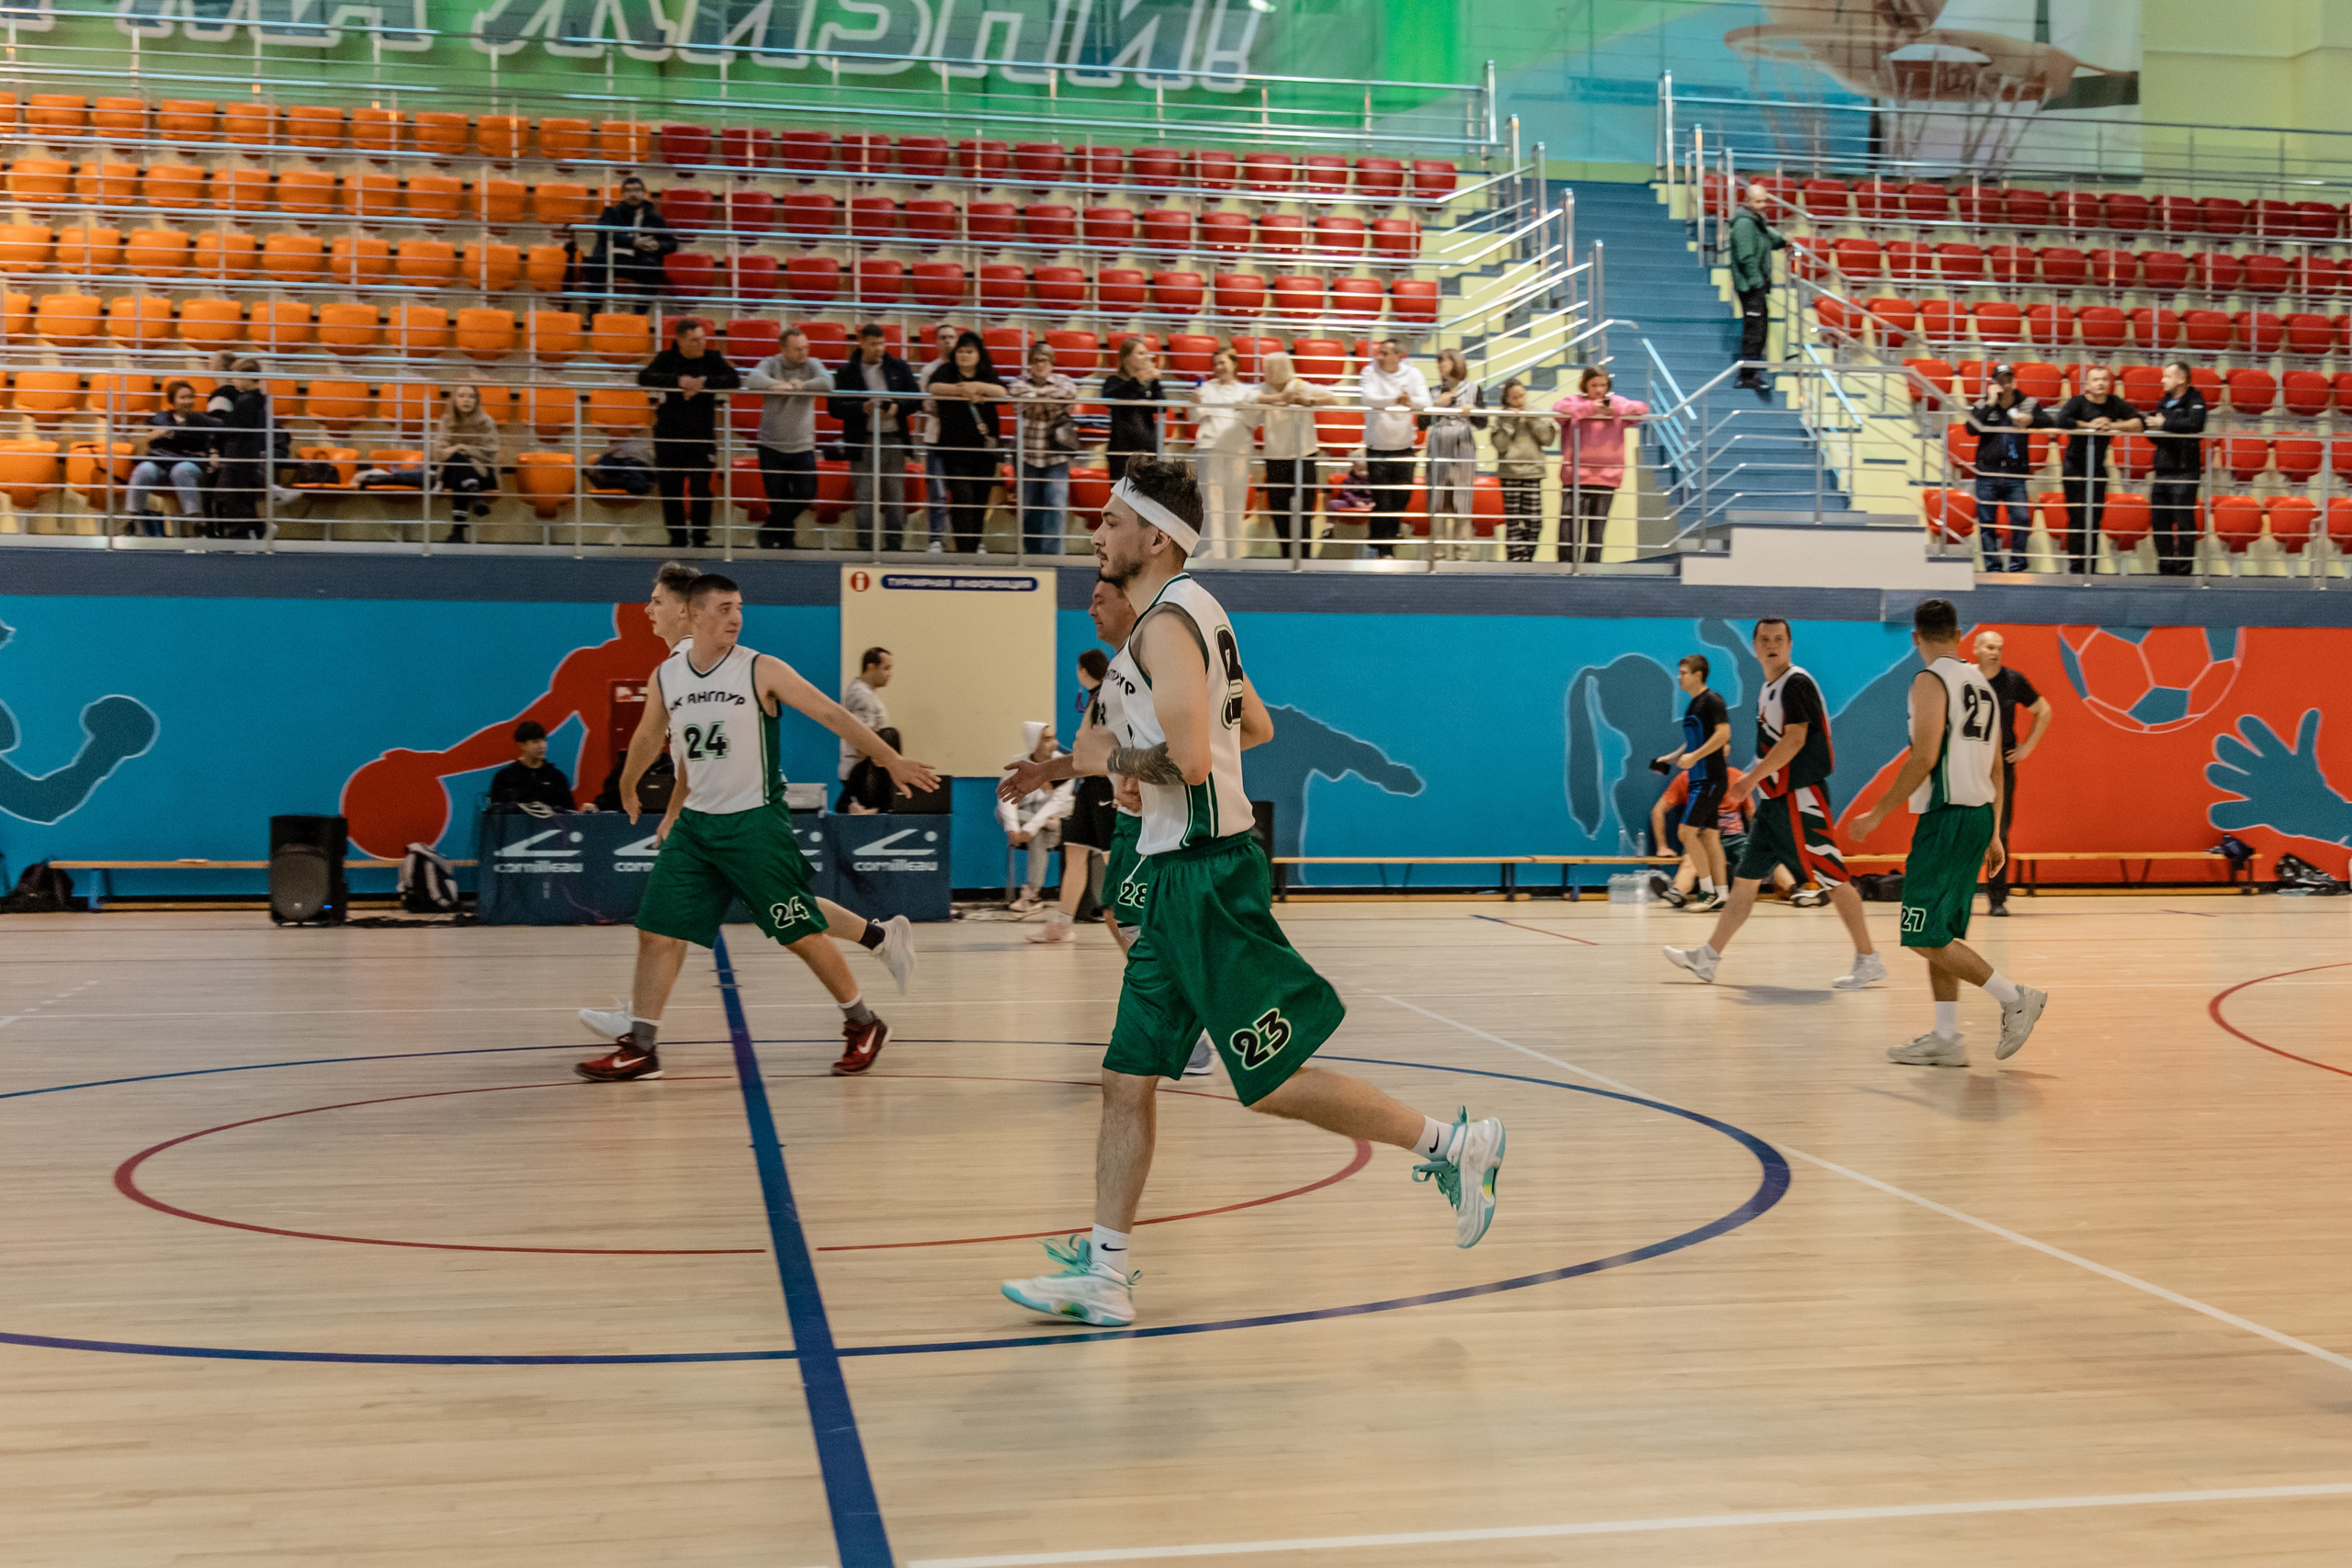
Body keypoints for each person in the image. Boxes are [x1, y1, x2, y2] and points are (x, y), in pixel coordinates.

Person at [995, 457, 1506, 1329]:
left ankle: (1455, 1146)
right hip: (1172, 871)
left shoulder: (1166, 624)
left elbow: (1193, 760)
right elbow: (1252, 726)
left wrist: (1110, 762)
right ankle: (1106, 1275)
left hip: (1203, 874)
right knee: (1125, 1078)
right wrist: (1134, 768)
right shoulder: (1191, 615)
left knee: (1267, 1083)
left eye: (1112, 520)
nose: (1097, 532)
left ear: (1155, 537)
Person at [573, 573, 939, 1084]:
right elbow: (647, 735)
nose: (736, 617)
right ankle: (640, 1047)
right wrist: (629, 784)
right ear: (694, 615)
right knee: (656, 932)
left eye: (739, 607)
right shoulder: (667, 675)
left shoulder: (759, 668)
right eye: (724, 608)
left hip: (754, 825)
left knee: (799, 929)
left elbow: (831, 714)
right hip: (697, 828)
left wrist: (890, 758)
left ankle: (864, 1022)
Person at [1851, 599, 2050, 1066]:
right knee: (1941, 931)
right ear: (1960, 634)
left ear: (1915, 637)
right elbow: (1999, 767)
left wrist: (1877, 813)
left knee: (1922, 934)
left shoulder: (1929, 680)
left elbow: (1923, 757)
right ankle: (1946, 1036)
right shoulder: (1981, 682)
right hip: (1979, 814)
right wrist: (1997, 833)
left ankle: (2013, 996)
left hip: (1947, 817)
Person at [1664, 617, 1888, 989]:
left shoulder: (1795, 683)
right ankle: (1708, 958)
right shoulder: (1769, 688)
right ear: (1754, 647)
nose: (1772, 645)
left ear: (1790, 644)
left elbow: (1795, 740)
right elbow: (1771, 747)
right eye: (1765, 639)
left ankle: (1868, 959)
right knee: (1745, 882)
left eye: (1779, 639)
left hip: (1801, 798)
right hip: (1773, 802)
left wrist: (1749, 781)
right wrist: (1755, 778)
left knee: (1833, 877)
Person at [1032, 647, 1116, 944]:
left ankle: (1135, 919)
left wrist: (1054, 776)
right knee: (1075, 850)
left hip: (1106, 785)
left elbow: (1095, 750)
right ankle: (1062, 924)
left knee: (1113, 859)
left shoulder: (1107, 698)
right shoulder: (1095, 699)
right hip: (1088, 787)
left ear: (1083, 671)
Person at [637, 319, 741, 547]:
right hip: (669, 437)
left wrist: (703, 382)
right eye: (694, 340)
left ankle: (701, 536)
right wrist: (677, 381)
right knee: (670, 490)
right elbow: (644, 377)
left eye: (703, 338)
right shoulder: (667, 358)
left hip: (701, 438)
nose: (701, 343)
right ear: (680, 340)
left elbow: (733, 379)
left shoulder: (712, 358)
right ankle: (677, 538)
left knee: (701, 486)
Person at [1972, 628, 2052, 917]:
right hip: (1969, 766)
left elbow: (2043, 710)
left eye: (1999, 648)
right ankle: (1961, 893)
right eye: (1990, 647)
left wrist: (2027, 746)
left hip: (2001, 769)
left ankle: (1997, 899)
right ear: (1976, 649)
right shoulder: (1965, 679)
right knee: (1965, 829)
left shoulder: (2013, 681)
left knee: (1999, 831)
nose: (1995, 652)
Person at [830, 321, 925, 551]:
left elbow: (916, 399)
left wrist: (896, 408)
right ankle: (865, 548)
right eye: (873, 344)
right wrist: (860, 408)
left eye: (882, 343)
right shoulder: (846, 372)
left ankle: (894, 547)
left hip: (892, 438)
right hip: (862, 441)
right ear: (861, 344)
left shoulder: (899, 367)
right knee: (864, 497)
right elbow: (834, 407)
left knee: (895, 497)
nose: (879, 348)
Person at [1653, 653, 1732, 911]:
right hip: (1699, 778)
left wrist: (1695, 757)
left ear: (1698, 675)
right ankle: (1721, 893)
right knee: (1709, 837)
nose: (1679, 676)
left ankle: (1707, 892)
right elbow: (1695, 741)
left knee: (1685, 832)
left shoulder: (1713, 700)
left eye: (1683, 672)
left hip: (1709, 778)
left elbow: (1723, 734)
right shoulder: (1694, 704)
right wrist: (1672, 757)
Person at [744, 326, 832, 550]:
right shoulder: (771, 364)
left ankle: (768, 530)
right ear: (783, 350)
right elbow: (753, 379)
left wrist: (801, 386)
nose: (804, 353)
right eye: (798, 349)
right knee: (778, 500)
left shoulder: (811, 365)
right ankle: (786, 545)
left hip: (801, 446)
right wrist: (776, 385)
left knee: (806, 493)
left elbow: (828, 383)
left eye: (806, 348)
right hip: (771, 445)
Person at [1553, 367, 1649, 568]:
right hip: (1576, 474)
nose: (1598, 389)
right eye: (1594, 385)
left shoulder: (1616, 403)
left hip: (1607, 475)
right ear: (1585, 384)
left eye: (1603, 385)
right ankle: (1565, 564)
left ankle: (1592, 566)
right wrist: (1591, 409)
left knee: (1597, 526)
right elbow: (1558, 409)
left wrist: (1613, 410)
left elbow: (1641, 409)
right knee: (1569, 522)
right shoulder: (1574, 401)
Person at [2051, 366, 2141, 575]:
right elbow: (2063, 420)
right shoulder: (2077, 402)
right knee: (2077, 518)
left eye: (2104, 379)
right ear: (2087, 385)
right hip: (2074, 466)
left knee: (2094, 519)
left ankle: (2090, 568)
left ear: (2109, 383)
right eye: (2096, 380)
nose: (2100, 383)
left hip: (2098, 467)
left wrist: (2112, 425)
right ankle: (2076, 568)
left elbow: (2138, 423)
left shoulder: (2114, 403)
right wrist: (2090, 426)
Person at [924, 330, 1007, 552]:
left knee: (980, 502)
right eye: (960, 351)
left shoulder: (986, 373)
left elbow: (1002, 392)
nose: (964, 355)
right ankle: (964, 552)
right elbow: (933, 388)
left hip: (984, 452)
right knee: (962, 498)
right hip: (954, 449)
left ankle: (972, 548)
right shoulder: (946, 371)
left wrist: (976, 387)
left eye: (969, 351)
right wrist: (962, 391)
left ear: (979, 354)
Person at [1965, 363, 2046, 573]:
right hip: (1987, 473)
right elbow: (1970, 428)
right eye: (2000, 379)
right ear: (1993, 382)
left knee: (2021, 519)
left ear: (2014, 380)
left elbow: (2047, 421)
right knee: (1987, 523)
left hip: (2015, 473)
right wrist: (1991, 402)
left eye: (2008, 378)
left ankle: (2017, 566)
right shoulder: (1983, 403)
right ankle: (1993, 568)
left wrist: (2030, 420)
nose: (2005, 383)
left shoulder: (2027, 403)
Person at [1256, 351, 1337, 560]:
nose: (1266, 372)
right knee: (1279, 510)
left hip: (1304, 456)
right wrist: (1276, 399)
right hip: (1275, 458)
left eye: (1270, 367)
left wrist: (1307, 401)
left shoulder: (1301, 385)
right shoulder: (1263, 390)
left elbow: (1332, 399)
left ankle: (1304, 557)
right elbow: (1244, 401)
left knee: (1303, 511)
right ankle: (1285, 555)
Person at [1006, 340, 1080, 555]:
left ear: (1052, 362)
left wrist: (1035, 400)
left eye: (1045, 360)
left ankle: (1051, 558)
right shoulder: (1020, 381)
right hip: (1027, 456)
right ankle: (1032, 556)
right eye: (1036, 360)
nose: (1040, 364)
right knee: (1029, 509)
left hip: (1056, 457)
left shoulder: (1064, 380)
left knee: (1056, 507)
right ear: (1030, 362)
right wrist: (1049, 401)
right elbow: (1018, 399)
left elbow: (1069, 398)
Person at [1357, 338, 1428, 558]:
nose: (1379, 357)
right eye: (1379, 352)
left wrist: (1408, 401)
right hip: (1377, 447)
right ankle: (1386, 550)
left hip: (1404, 447)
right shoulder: (1369, 371)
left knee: (1401, 499)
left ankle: (1376, 538)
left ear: (1399, 356)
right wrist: (1396, 399)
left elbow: (1424, 402)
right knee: (1384, 500)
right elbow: (1367, 398)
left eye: (1385, 353)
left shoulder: (1412, 374)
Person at [1192, 345, 1261, 558]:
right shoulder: (1205, 388)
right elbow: (1195, 416)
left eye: (1223, 362)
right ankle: (1212, 553)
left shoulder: (1248, 391)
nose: (1218, 367)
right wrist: (1193, 402)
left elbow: (1254, 421)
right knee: (1211, 503)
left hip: (1238, 449)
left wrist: (1247, 408)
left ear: (1234, 363)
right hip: (1210, 448)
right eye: (1215, 364)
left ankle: (1234, 554)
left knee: (1235, 502)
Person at [124, 378, 214, 536]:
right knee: (143, 470)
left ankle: (197, 523)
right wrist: (153, 436)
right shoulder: (158, 418)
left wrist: (170, 432)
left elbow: (215, 436)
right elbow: (144, 440)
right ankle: (132, 521)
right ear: (172, 400)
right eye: (183, 397)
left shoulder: (202, 420)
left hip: (189, 462)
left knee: (181, 470)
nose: (188, 401)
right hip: (161, 462)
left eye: (191, 397)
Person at [1000, 720, 1072, 910]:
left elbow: (1056, 804)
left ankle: (1033, 893)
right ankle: (1033, 895)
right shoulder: (1019, 764)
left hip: (1058, 821)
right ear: (1034, 742)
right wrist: (1013, 829)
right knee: (1002, 813)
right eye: (1047, 739)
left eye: (1054, 738)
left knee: (1039, 832)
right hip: (1032, 820)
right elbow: (1006, 798)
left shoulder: (1063, 765)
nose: (1055, 744)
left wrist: (1030, 829)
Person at [2147, 360, 2208, 577]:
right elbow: (2159, 435)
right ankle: (2166, 570)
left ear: (2181, 379)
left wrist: (2164, 425)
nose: (2162, 380)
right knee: (2159, 524)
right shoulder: (2163, 402)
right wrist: (2157, 429)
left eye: (2167, 376)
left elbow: (2194, 425)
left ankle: (2183, 573)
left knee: (2184, 524)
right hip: (2162, 471)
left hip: (2185, 471)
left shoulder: (2196, 400)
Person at [1424, 347, 1484, 560]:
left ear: (1456, 363)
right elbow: (1422, 423)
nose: (1440, 365)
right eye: (1438, 362)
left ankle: (1463, 556)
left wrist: (1473, 411)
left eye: (1444, 361)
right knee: (1437, 501)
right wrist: (1435, 406)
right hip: (1438, 447)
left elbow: (1483, 423)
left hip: (1463, 448)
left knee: (1462, 500)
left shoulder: (1474, 389)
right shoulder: (1432, 390)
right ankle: (1438, 556)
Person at [205, 358, 274, 539]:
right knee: (238, 496)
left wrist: (203, 421)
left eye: (236, 376)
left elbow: (231, 427)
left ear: (246, 377)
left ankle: (245, 532)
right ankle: (255, 529)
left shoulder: (245, 401)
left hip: (238, 455)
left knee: (229, 495)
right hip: (247, 454)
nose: (233, 381)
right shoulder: (258, 399)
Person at [1490, 379, 1556, 563]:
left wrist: (1532, 419)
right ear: (1507, 398)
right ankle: (1515, 561)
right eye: (1514, 397)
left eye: (1521, 396)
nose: (1519, 401)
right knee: (1513, 523)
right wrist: (1509, 423)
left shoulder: (1535, 411)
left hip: (1533, 472)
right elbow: (1500, 446)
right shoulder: (1502, 416)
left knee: (1535, 522)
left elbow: (1548, 439)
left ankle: (1526, 558)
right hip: (1510, 472)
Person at [582, 175, 676, 304]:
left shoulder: (655, 218)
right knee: (595, 265)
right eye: (629, 191)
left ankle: (640, 314)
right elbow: (603, 233)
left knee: (653, 269)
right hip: (613, 258)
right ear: (622, 195)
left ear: (644, 193)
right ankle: (594, 311)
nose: (633, 194)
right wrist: (633, 242)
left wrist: (657, 245)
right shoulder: (610, 213)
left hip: (640, 260)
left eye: (637, 190)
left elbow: (672, 243)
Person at [1728, 182, 1786, 393]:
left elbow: (1774, 239)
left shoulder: (1756, 222)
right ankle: (1746, 377)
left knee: (1760, 329)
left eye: (1764, 200)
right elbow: (1746, 257)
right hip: (1751, 285)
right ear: (1748, 201)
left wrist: (1783, 240)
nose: (1763, 205)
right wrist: (1756, 281)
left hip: (1757, 284)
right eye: (1758, 201)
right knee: (1755, 330)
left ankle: (1753, 374)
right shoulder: (1745, 224)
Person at [434, 384, 501, 544]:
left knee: (459, 465)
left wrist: (461, 448)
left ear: (477, 401)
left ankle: (457, 532)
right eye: (462, 395)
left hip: (483, 473)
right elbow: (439, 452)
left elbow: (490, 452)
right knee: (458, 463)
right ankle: (474, 494)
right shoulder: (446, 421)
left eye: (471, 396)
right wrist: (462, 453)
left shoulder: (486, 422)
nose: (466, 400)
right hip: (453, 473)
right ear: (454, 399)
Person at [915, 321, 962, 548]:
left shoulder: (966, 368)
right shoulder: (928, 371)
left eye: (952, 337)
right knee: (938, 493)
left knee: (964, 493)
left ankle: (968, 541)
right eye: (943, 337)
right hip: (936, 439)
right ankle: (935, 539)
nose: (948, 341)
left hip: (963, 442)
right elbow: (928, 406)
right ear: (936, 342)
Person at [1102, 336, 1168, 486]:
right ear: (1126, 358)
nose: (1147, 358)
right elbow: (1110, 399)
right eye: (1141, 353)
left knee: (1147, 498)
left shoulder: (1151, 383)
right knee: (1121, 495)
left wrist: (1155, 382)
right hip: (1121, 450)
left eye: (1147, 353)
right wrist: (1136, 381)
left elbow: (1162, 406)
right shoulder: (1114, 380)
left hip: (1147, 449)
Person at [487, 720, 582, 814]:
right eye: (535, 742)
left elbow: (570, 813)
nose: (542, 746)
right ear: (521, 745)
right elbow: (495, 815)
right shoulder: (504, 777)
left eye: (543, 740)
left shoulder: (556, 777)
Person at [840, 646, 892, 808]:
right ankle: (848, 804)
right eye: (886, 668)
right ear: (871, 667)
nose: (890, 674)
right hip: (863, 772)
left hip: (866, 769)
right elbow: (866, 739)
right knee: (891, 735)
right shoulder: (861, 696)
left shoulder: (865, 693)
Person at [1323, 455, 1374, 520]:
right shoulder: (1349, 479)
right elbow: (1346, 493)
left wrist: (1372, 502)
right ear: (1353, 468)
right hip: (1351, 503)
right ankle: (1330, 525)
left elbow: (1377, 493)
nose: (1364, 473)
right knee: (1332, 504)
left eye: (1366, 470)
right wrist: (1356, 502)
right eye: (1360, 470)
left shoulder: (1373, 479)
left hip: (1369, 503)